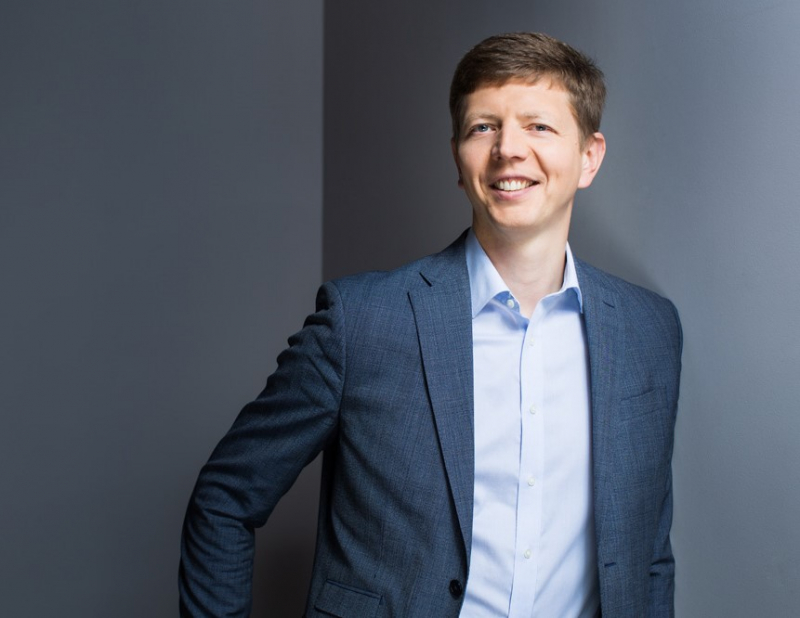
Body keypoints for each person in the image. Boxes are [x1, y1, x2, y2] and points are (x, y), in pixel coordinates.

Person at [180, 32, 682, 617]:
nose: (508, 149)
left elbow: (647, 554)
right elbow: (224, 498)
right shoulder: (361, 322)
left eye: (539, 126)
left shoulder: (649, 331)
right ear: (458, 159)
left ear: (589, 157)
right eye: (483, 127)